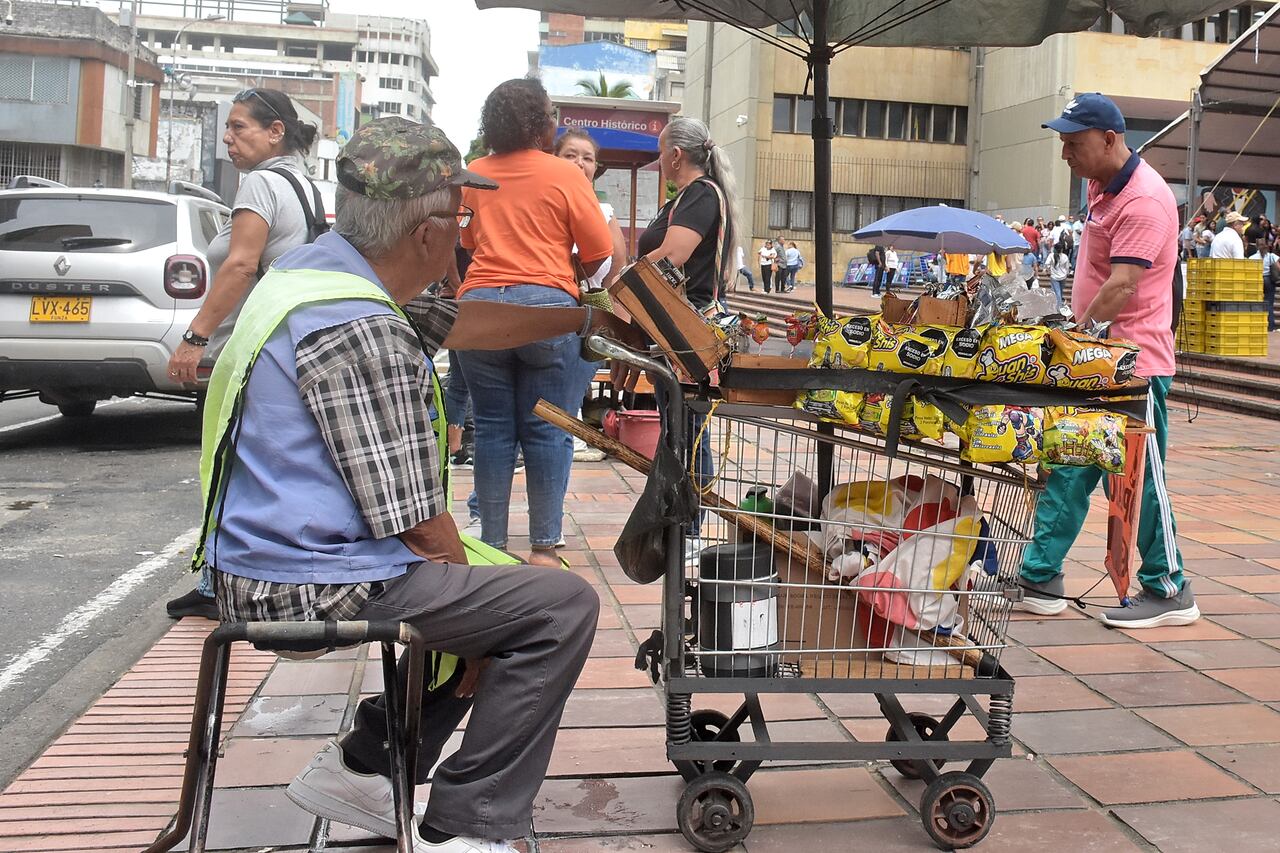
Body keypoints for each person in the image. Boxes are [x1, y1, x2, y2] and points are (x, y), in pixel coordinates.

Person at [203, 116, 637, 852]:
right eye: (465, 216)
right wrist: (479, 632)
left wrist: (587, 317)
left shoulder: (314, 275)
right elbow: (420, 526)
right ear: (429, 232)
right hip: (307, 578)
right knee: (558, 604)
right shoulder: (359, 328)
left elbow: (463, 320)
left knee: (494, 585)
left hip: (275, 552)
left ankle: (368, 764)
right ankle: (470, 826)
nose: (467, 234)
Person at [1019, 92, 1197, 628]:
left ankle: (1169, 588)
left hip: (1133, 365)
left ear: (1110, 140)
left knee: (1140, 477)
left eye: (1074, 143)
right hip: (1100, 361)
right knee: (1071, 463)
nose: (1065, 153)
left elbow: (1122, 286)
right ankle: (1040, 573)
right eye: (1063, 142)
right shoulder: (1102, 186)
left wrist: (1077, 335)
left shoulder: (1143, 199)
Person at [164, 87, 323, 621]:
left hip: (246, 353)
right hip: (283, 346)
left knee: (227, 465)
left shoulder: (260, 183)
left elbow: (239, 266)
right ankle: (238, 576)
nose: (229, 139)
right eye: (227, 130)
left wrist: (195, 338)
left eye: (239, 128)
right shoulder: (303, 182)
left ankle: (220, 584)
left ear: (275, 131)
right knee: (259, 469)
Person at [456, 78, 613, 568]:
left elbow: (464, 245)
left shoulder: (473, 174)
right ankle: (545, 548)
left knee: (493, 427)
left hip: (479, 311)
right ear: (543, 125)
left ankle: (493, 548)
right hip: (546, 312)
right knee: (546, 429)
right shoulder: (566, 177)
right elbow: (601, 256)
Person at [637, 116, 740, 551]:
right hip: (673, 328)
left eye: (662, 152)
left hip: (686, 328)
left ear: (676, 155)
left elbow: (673, 256)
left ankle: (692, 529)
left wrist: (626, 283)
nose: (660, 160)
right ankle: (683, 523)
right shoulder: (686, 198)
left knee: (686, 429)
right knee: (678, 426)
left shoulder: (700, 194)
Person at [552, 127, 625, 465]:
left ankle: (569, 437)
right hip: (551, 309)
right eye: (570, 155)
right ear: (554, 159)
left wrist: (597, 296)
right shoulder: (546, 204)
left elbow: (618, 265)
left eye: (587, 158)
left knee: (573, 389)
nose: (579, 163)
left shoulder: (605, 210)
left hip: (589, 313)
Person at [1249, 238, 1280, 331]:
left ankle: (1257, 325)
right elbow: (1278, 267)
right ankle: (1270, 326)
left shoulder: (1252, 257)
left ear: (1257, 246)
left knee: (1257, 302)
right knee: (1269, 303)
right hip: (1269, 280)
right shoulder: (1271, 256)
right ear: (1266, 245)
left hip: (1257, 280)